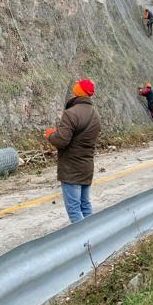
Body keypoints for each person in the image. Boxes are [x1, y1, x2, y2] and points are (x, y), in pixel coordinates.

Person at [45, 78, 102, 223]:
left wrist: (50, 134)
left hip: (71, 169)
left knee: (74, 210)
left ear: (78, 91)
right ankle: (94, 237)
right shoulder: (95, 114)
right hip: (87, 167)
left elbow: (62, 141)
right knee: (85, 205)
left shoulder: (71, 113)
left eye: (76, 86)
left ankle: (85, 243)